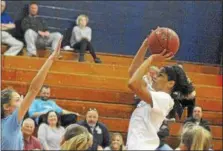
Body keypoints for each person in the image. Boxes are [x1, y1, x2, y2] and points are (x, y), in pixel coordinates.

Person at [126, 34, 194, 150]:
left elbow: (132, 83)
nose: (156, 77)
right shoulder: (154, 92)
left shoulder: (165, 99)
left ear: (170, 83)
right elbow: (133, 72)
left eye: (160, 75)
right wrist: (145, 46)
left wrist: (151, 59)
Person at [1, 36, 62, 150]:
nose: (22, 101)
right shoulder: (12, 121)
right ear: (6, 107)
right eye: (17, 100)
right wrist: (51, 59)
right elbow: (34, 89)